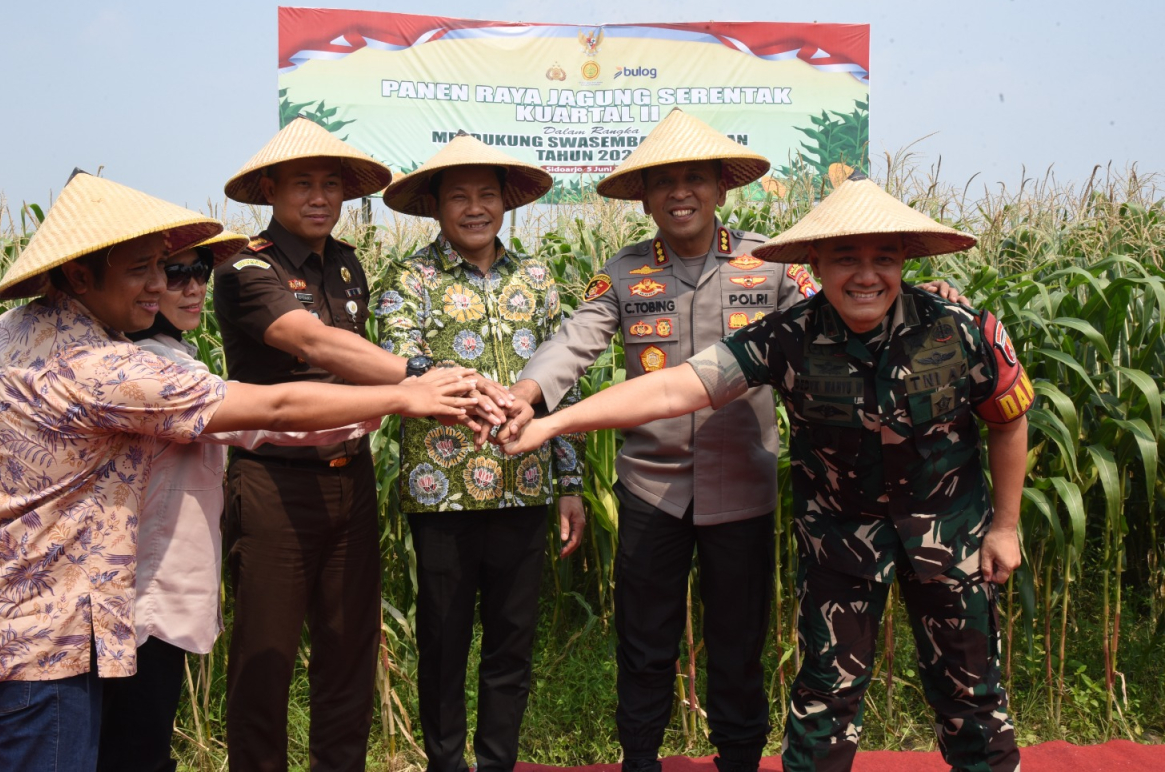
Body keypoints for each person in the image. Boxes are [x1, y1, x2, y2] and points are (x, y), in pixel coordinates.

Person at [0, 171, 481, 772]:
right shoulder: (105, 368)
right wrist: (405, 394)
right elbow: (274, 406)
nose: (160, 285)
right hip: (44, 645)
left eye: (167, 268)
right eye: (142, 269)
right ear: (80, 275)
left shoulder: (4, 332)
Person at [503, 173, 1031, 772]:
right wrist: (549, 421)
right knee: (823, 699)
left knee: (971, 693)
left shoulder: (960, 329)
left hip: (949, 538)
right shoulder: (786, 335)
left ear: (904, 260)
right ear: (817, 264)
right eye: (846, 259)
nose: (865, 275)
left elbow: (1010, 419)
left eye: (884, 259)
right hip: (837, 544)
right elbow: (674, 387)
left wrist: (1005, 526)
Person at [506, 107, 809, 772]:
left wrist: (921, 300)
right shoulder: (623, 272)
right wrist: (526, 394)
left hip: (744, 487)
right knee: (644, 643)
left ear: (721, 187)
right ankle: (640, 758)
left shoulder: (773, 265)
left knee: (738, 644)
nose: (680, 193)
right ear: (643, 198)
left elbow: (834, 322)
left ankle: (739, 760)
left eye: (694, 178)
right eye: (663, 182)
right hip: (651, 489)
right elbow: (573, 342)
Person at [214, 118, 512, 772]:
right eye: (302, 184)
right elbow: (315, 342)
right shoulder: (245, 269)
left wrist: (453, 390)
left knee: (348, 650)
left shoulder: (347, 264)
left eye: (331, 184)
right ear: (269, 189)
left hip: (351, 477)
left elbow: (356, 363)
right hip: (273, 482)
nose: (320, 197)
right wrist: (419, 376)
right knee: (265, 658)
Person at [95, 232, 383, 772]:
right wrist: (406, 392)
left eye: (198, 270)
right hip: (142, 594)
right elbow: (273, 414)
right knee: (135, 747)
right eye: (170, 273)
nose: (189, 287)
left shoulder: (168, 356)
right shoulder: (151, 369)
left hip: (148, 592)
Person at [374, 132, 587, 772]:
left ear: (505, 202)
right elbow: (402, 360)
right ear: (436, 206)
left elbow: (562, 383)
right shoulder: (408, 279)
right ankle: (445, 763)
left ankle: (498, 761)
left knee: (511, 643)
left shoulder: (538, 278)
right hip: (442, 492)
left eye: (486, 195)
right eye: (459, 197)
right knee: (442, 643)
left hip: (526, 485)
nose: (475, 209)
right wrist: (479, 391)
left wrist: (570, 483)